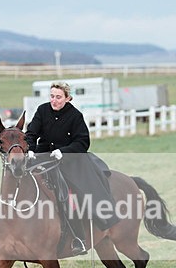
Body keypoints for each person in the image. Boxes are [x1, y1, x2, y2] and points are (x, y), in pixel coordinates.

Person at [25, 81, 116, 254]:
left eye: (58, 97)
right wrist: (29, 149)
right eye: (52, 96)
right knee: (18, 178)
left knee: (69, 194)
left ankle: (78, 239)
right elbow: (31, 133)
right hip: (43, 157)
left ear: (67, 98)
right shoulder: (42, 110)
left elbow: (83, 142)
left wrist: (64, 152)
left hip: (69, 161)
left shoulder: (76, 116)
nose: (54, 100)